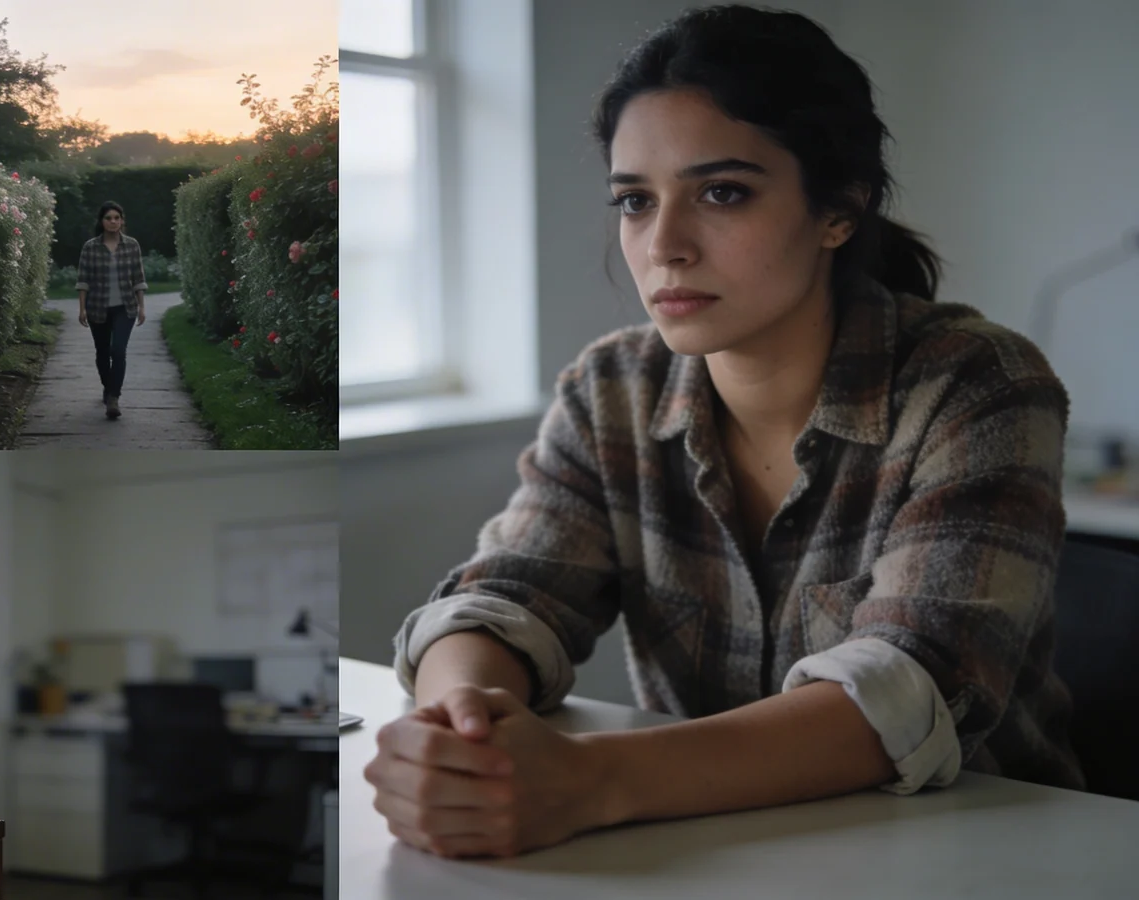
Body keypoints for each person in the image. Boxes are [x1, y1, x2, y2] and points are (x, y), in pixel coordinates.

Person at [365, 4, 1083, 860]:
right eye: (635, 201)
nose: (663, 245)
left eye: (722, 193)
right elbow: (507, 596)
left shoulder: (978, 384)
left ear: (840, 208)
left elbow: (908, 688)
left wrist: (588, 781)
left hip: (978, 851)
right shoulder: (612, 388)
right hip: (714, 849)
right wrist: (460, 728)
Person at [76, 201, 149, 420]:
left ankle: (114, 397)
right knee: (102, 352)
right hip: (97, 307)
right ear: (102, 221)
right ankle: (108, 388)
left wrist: (142, 307)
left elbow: (138, 278)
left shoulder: (132, 245)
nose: (113, 222)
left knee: (118, 350)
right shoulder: (91, 247)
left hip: (125, 308)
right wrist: (82, 309)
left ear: (122, 221)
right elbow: (83, 280)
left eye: (117, 218)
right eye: (108, 218)